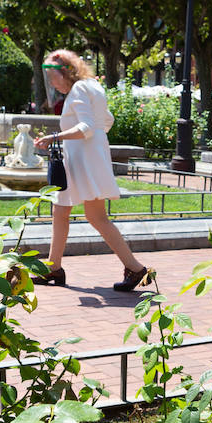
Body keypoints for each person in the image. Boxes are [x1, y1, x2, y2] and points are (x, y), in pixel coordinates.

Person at [33, 50, 150, 292]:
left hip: (82, 160)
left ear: (65, 72)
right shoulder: (92, 86)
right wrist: (94, 141)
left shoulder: (78, 90)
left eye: (54, 77)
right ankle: (54, 267)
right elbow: (106, 121)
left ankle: (135, 268)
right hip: (87, 158)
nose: (53, 83)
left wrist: (54, 136)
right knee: (64, 211)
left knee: (94, 216)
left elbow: (86, 127)